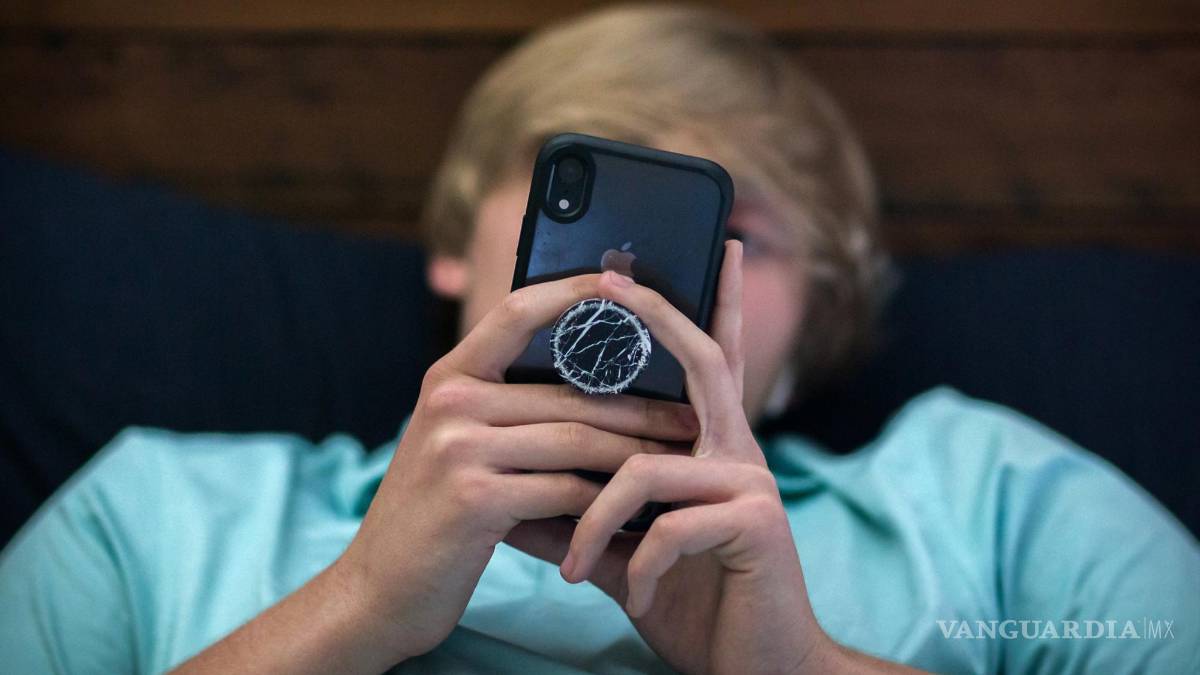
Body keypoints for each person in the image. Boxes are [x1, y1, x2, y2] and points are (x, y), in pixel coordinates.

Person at [1, 6, 1196, 674]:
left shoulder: (1000, 504)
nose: (623, 281)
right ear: (454, 243)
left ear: (816, 324)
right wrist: (352, 609)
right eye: (573, 205)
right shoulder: (153, 516)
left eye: (729, 236)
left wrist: (799, 668)